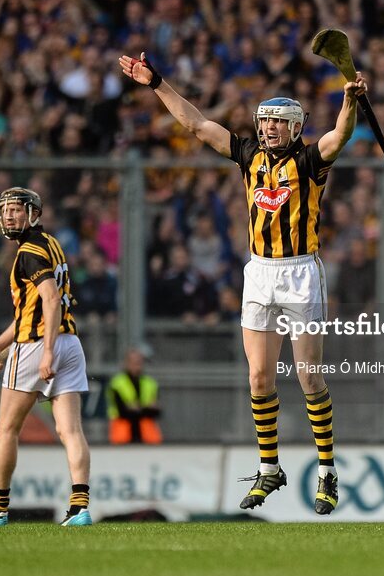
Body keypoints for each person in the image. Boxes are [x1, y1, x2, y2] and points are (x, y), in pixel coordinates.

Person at [119, 50, 367, 515]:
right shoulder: (248, 156)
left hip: (299, 273)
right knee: (258, 377)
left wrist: (349, 101)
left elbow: (340, 136)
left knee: (309, 376)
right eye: (265, 121)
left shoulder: (311, 161)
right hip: (258, 272)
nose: (270, 128)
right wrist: (157, 83)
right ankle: (270, 468)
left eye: (279, 122)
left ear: (295, 128)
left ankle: (328, 470)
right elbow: (196, 124)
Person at [0, 187, 92, 527]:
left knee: (7, 428)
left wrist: (46, 351)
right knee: (70, 430)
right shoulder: (50, 243)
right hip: (70, 343)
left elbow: (50, 301)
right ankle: (80, 507)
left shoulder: (28, 253)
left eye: (17, 210)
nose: (9, 216)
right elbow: (31, 309)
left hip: (40, 346)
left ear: (33, 213)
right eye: (5, 210)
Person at [107, 347, 162, 444]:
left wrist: (135, 408)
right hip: (123, 436)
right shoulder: (117, 383)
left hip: (147, 436)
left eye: (139, 362)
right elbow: (121, 410)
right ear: (126, 363)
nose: (136, 365)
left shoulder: (150, 383)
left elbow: (156, 411)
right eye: (133, 362)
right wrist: (145, 408)